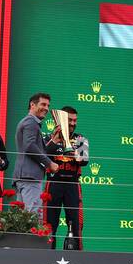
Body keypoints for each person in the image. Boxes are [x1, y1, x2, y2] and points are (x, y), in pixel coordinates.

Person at [43, 106, 88, 250]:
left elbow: (85, 160)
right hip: (53, 184)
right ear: (61, 120)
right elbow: (42, 155)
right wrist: (55, 141)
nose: (73, 123)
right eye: (69, 120)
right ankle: (45, 257)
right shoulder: (48, 138)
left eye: (75, 120)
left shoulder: (80, 139)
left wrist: (78, 155)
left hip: (72, 185)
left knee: (76, 224)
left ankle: (77, 259)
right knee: (49, 224)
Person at [12, 92, 58, 221]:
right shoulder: (31, 122)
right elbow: (30, 146)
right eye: (43, 104)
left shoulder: (28, 122)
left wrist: (53, 141)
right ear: (32, 105)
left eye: (48, 105)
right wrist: (49, 163)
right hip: (30, 178)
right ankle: (33, 241)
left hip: (24, 176)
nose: (46, 108)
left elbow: (32, 147)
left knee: (21, 220)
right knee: (33, 218)